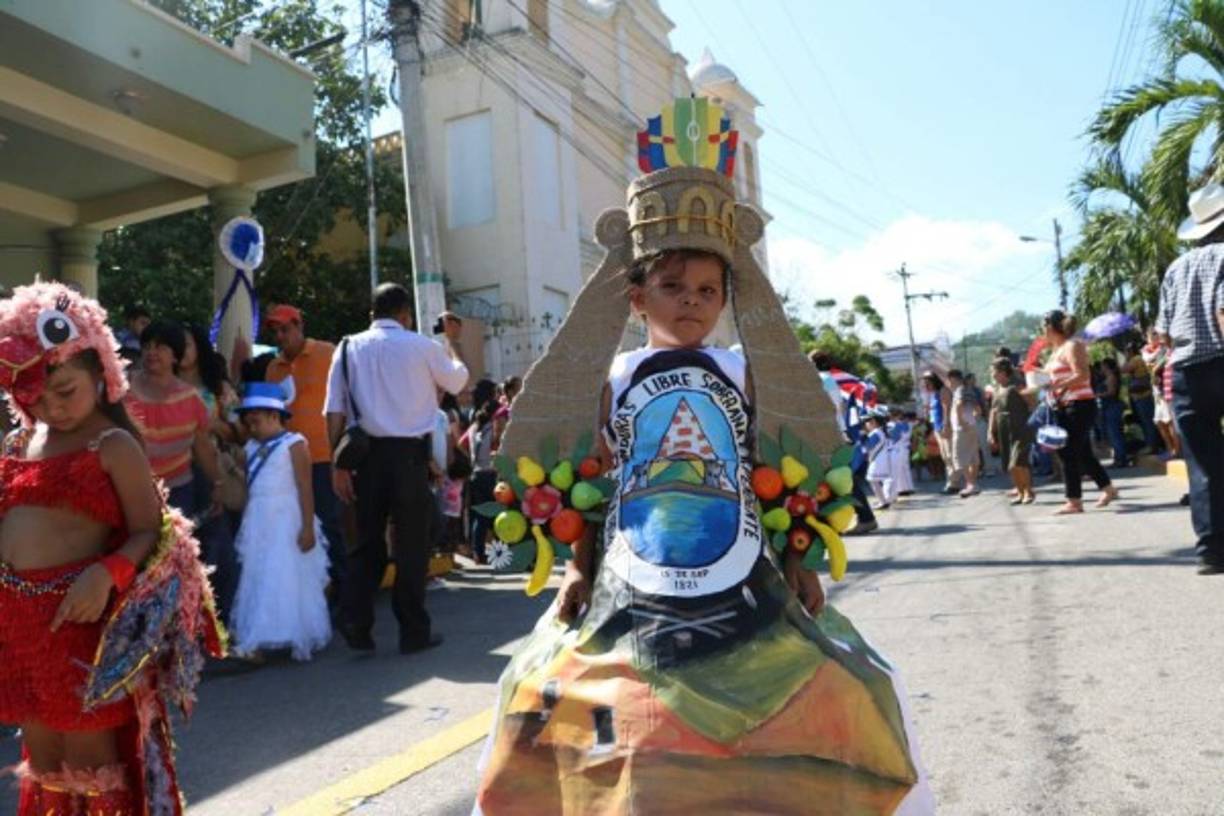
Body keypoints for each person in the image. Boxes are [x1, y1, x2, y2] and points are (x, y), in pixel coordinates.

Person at [474, 98, 930, 813]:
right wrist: (574, 567)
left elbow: (777, 472)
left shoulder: (748, 372)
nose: (691, 303)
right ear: (634, 297)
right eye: (672, 287)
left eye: (708, 291)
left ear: (727, 298)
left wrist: (802, 562)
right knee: (543, 697)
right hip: (631, 582)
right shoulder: (612, 381)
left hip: (747, 579)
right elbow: (588, 486)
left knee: (852, 688)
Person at [0, 282, 222, 814]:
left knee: (91, 765)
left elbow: (151, 530)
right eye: (36, 397)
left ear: (101, 371)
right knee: (46, 761)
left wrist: (106, 573)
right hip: (18, 628)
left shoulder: (114, 444)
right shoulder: (19, 444)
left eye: (66, 390)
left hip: (80, 627)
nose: (52, 406)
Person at [325, 285, 469, 653]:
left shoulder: (346, 348)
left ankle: (356, 621)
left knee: (367, 543)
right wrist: (451, 340)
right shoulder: (422, 345)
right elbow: (458, 381)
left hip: (364, 459)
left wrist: (337, 466)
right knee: (411, 546)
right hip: (409, 458)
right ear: (405, 314)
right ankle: (412, 631)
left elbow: (335, 411)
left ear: (372, 312)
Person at [229, 382, 331, 661]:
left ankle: (271, 636)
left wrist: (308, 526)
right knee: (258, 574)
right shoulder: (250, 447)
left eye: (257, 421)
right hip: (259, 519)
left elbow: (304, 485)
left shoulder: (294, 445)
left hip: (286, 517)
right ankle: (258, 636)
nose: (252, 428)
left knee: (283, 574)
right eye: (249, 423)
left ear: (275, 416)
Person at [1156, 182, 1224, 574]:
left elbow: (1163, 333)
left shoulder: (1176, 269)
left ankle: (1211, 551)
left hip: (1184, 373)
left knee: (1203, 464)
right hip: (1221, 360)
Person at [263, 304, 345, 602]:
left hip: (324, 457)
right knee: (298, 528)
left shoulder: (327, 353)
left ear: (299, 326)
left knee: (328, 525)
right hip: (287, 461)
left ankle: (342, 593)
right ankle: (313, 595)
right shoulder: (273, 368)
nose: (280, 336)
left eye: (285, 329)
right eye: (276, 331)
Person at [124, 321, 224, 517]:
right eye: (147, 346)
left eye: (160, 346)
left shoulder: (191, 398)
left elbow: (202, 446)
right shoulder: (122, 388)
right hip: (130, 490)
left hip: (178, 492)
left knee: (174, 546)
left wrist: (217, 484)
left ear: (175, 356)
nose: (152, 352)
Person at [1041, 310, 1118, 514]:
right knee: (1083, 453)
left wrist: (1054, 384)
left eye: (1043, 327)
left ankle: (1074, 501)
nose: (1042, 332)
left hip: (1079, 404)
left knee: (1067, 453)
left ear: (1051, 327)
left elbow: (1082, 375)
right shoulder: (1057, 350)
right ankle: (1108, 488)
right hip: (1064, 405)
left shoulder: (1073, 345)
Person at [461, 379, 501, 564]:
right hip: (490, 473)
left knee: (479, 514)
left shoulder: (474, 427)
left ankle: (478, 553)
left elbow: (461, 444)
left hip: (475, 473)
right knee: (493, 513)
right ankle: (499, 551)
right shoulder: (493, 427)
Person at [988, 357, 1034, 504]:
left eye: (994, 371)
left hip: (1020, 426)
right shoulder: (997, 389)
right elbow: (994, 411)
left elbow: (1032, 402)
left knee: (1018, 461)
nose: (993, 375)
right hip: (1004, 429)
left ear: (1002, 371)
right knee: (1009, 464)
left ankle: (1029, 491)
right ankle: (1020, 493)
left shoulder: (1017, 385)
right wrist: (990, 431)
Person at [1142, 328, 1181, 458]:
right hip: (1156, 389)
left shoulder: (1165, 348)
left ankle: (1177, 450)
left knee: (1169, 420)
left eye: (1156, 334)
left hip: (1166, 386)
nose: (1154, 337)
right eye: (1151, 334)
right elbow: (1148, 360)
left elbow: (1161, 363)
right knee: (1159, 422)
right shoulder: (1146, 350)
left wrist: (1155, 365)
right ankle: (1170, 449)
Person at [947, 369, 981, 497]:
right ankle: (973, 484)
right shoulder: (969, 389)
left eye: (949, 380)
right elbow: (977, 408)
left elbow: (959, 405)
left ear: (952, 379)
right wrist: (974, 418)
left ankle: (970, 484)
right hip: (971, 425)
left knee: (960, 456)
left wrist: (961, 422)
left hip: (962, 428)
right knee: (973, 456)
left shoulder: (959, 390)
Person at [923, 371, 957, 493]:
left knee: (949, 455)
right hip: (937, 428)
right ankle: (951, 481)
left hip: (944, 427)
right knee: (945, 456)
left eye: (928, 383)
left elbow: (946, 409)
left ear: (934, 381)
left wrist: (946, 425)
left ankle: (953, 483)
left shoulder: (943, 391)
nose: (926, 386)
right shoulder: (934, 394)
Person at [1123, 339, 1158, 452]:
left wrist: (1126, 359)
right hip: (1141, 395)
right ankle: (1152, 444)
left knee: (1147, 421)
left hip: (1142, 395)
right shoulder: (1139, 358)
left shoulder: (1135, 359)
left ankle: (1152, 445)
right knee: (1147, 421)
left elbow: (1124, 369)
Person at [1096, 357, 1129, 467]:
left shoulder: (1111, 377)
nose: (1101, 368)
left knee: (1115, 433)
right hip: (1107, 407)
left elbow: (1111, 392)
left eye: (1102, 365)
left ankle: (1121, 459)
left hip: (1112, 406)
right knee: (1112, 434)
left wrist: (1098, 395)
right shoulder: (1107, 377)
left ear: (1106, 366)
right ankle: (1118, 458)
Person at [863, 411, 896, 509]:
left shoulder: (875, 433)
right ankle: (884, 500)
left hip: (878, 461)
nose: (865, 424)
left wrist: (859, 441)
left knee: (872, 480)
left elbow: (867, 447)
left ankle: (883, 501)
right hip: (880, 460)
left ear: (873, 422)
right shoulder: (879, 432)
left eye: (867, 421)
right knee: (875, 480)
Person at [890, 408, 916, 496]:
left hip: (898, 448)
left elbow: (894, 438)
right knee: (905, 468)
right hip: (905, 448)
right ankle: (908, 487)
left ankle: (901, 489)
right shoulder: (908, 424)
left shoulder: (896, 425)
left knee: (898, 469)